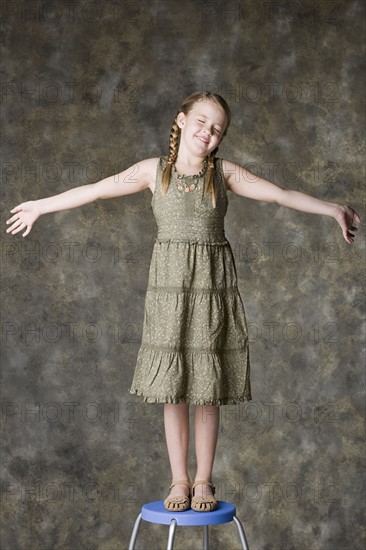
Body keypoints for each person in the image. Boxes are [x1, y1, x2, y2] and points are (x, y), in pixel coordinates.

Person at [5, 91, 360, 513]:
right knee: (172, 387)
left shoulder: (224, 173)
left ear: (220, 138)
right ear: (180, 120)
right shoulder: (154, 173)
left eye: (217, 129)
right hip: (169, 290)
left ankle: (204, 481)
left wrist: (333, 209)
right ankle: (179, 480)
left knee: (207, 386)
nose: (207, 132)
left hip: (212, 286)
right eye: (202, 121)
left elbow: (280, 193)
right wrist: (41, 207)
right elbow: (96, 190)